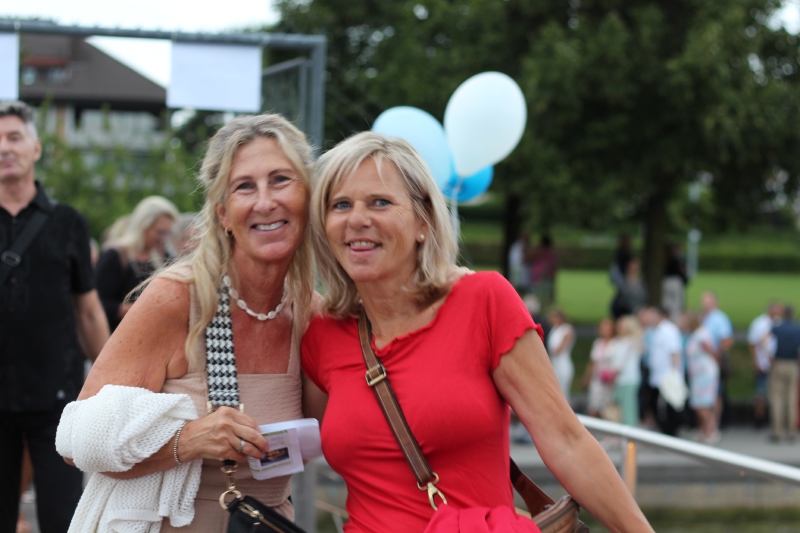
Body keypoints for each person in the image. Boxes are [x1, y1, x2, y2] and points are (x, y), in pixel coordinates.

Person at [302, 132, 654, 532]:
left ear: (423, 222)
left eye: (379, 202)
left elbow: (567, 442)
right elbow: (282, 441)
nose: (357, 219)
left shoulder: (483, 302)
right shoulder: (323, 335)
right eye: (340, 205)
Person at [59, 114, 317, 530]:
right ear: (223, 214)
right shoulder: (180, 299)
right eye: (244, 186)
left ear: (309, 196)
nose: (265, 201)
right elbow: (76, 441)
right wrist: (187, 439)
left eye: (281, 180)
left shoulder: (311, 312)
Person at [0, 101, 110, 533]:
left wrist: (112, 385)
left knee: (64, 520)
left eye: (14, 137)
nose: (4, 148)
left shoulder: (68, 222)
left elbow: (88, 311)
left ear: (36, 148)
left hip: (57, 400)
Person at [95, 196, 179, 331]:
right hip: (120, 334)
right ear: (143, 226)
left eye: (167, 233)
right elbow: (96, 305)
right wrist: (137, 310)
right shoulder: (115, 256)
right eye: (160, 232)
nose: (164, 239)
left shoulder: (163, 257)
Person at [682, 310, 720, 444]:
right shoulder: (696, 334)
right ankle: (704, 431)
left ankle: (710, 431)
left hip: (704, 374)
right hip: (698, 374)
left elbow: (711, 351)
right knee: (699, 403)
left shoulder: (700, 335)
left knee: (702, 404)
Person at [649, 307, 685, 436]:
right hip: (660, 375)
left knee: (670, 404)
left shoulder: (668, 330)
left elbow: (674, 352)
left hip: (666, 375)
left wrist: (673, 373)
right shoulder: (658, 330)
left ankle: (671, 431)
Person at [701, 291, 733, 428]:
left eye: (707, 302)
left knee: (717, 392)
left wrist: (716, 355)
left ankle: (714, 424)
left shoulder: (719, 319)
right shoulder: (705, 318)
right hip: (705, 362)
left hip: (714, 359)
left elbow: (726, 340)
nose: (704, 305)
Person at [768, 305, 800, 442]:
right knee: (791, 398)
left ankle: (777, 431)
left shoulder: (777, 328)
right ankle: (791, 432)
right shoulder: (797, 329)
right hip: (792, 364)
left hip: (779, 363)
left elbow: (764, 340)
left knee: (777, 398)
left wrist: (769, 356)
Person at [748, 302, 782, 429]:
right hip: (763, 363)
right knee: (760, 393)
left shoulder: (779, 322)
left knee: (776, 393)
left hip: (776, 364)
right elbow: (753, 344)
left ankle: (774, 420)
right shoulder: (759, 323)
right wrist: (756, 362)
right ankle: (759, 419)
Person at [609, 315, 643, 427]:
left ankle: (631, 434)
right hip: (623, 380)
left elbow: (619, 364)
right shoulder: (623, 342)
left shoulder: (628, 343)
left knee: (628, 410)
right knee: (623, 410)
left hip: (626, 380)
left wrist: (611, 376)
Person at [582, 318, 618, 419]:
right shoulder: (598, 343)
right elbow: (593, 361)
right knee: (594, 405)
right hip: (597, 378)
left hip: (610, 381)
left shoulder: (616, 344)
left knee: (608, 407)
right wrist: (587, 376)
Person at [545, 308, 574, 402]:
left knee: (563, 391)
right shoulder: (554, 329)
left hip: (562, 364)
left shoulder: (567, 329)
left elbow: (560, 348)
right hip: (554, 364)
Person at [528, 234, 557, 307]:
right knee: (544, 302)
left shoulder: (538, 251)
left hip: (538, 279)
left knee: (536, 302)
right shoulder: (551, 255)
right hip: (545, 280)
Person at [662, 243, 688, 322]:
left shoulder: (666, 258)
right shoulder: (679, 260)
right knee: (676, 303)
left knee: (667, 302)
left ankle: (668, 320)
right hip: (675, 282)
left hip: (667, 281)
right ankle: (674, 321)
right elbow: (683, 271)